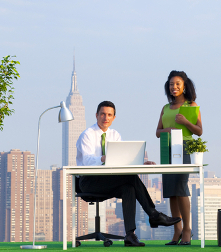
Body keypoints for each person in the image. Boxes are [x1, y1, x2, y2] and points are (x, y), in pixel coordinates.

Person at [76, 101, 181, 247]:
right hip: (89, 182)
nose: (105, 118)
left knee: (128, 188)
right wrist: (104, 158)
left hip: (109, 180)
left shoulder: (115, 135)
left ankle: (130, 235)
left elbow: (123, 160)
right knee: (130, 177)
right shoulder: (87, 135)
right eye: (102, 114)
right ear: (96, 115)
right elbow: (87, 161)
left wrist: (140, 163)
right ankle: (154, 214)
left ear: (114, 118)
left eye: (109, 115)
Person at [155, 71, 203, 245]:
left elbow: (199, 131)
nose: (173, 87)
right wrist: (167, 130)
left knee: (181, 188)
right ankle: (177, 230)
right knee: (171, 192)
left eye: (177, 84)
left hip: (183, 148)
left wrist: (185, 122)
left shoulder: (191, 106)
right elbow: (157, 132)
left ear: (184, 86)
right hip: (167, 149)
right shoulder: (165, 108)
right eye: (170, 84)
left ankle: (188, 229)